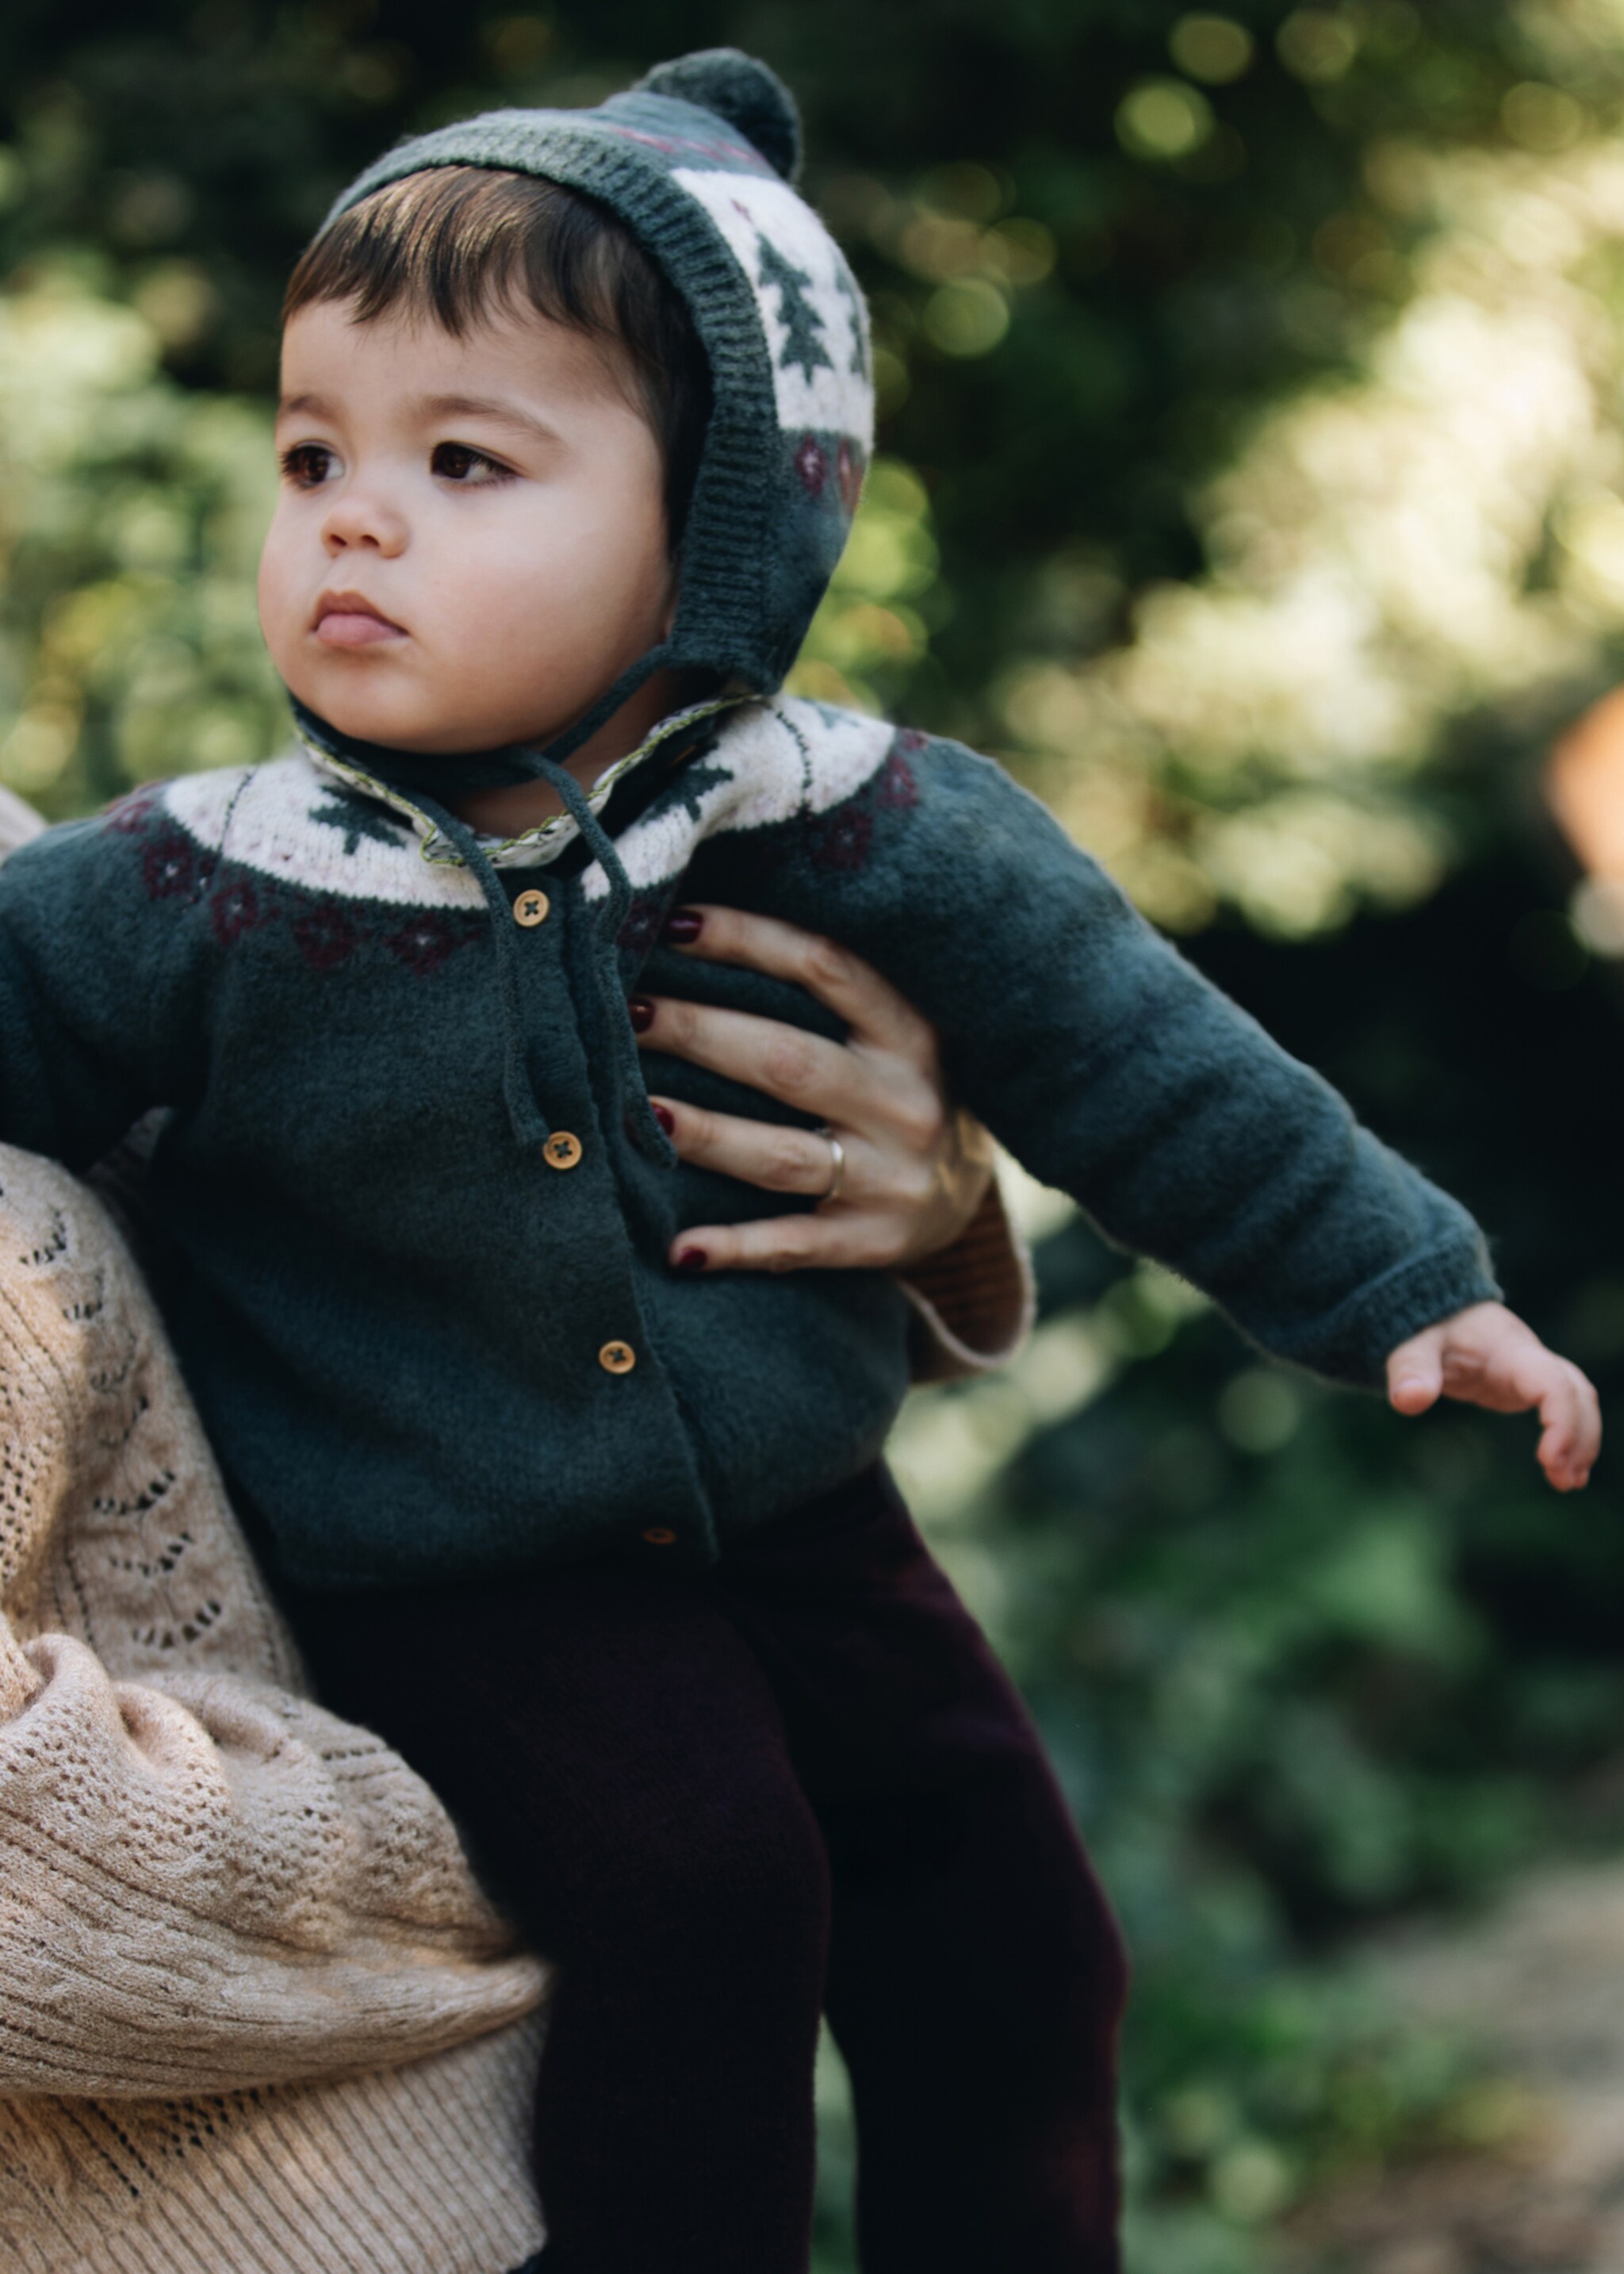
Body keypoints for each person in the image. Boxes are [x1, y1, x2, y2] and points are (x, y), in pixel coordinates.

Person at [0, 44, 1599, 2274]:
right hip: (470, 1574)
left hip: (818, 1527)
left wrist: (1414, 1285)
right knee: (706, 1897)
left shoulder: (850, 815)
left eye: (467, 459)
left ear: (719, 531)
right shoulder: (209, 880)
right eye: (312, 452)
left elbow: (1147, 1057)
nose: (352, 516)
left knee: (1019, 1926)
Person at [0, 777, 1024, 2274]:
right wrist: (589, 1812)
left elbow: (323, 1232)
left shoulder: (90, 866)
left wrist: (908, 1207)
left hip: (532, 2152)